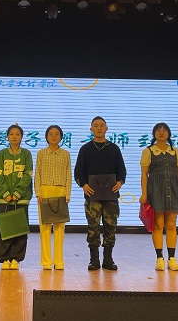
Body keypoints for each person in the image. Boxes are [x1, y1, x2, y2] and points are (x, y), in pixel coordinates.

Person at [74, 116, 126, 271]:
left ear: (106, 128)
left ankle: (108, 259)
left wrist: (120, 182)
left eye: (101, 125)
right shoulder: (85, 149)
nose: (99, 128)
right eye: (95, 126)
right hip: (92, 196)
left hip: (111, 196)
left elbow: (121, 170)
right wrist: (83, 185)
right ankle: (94, 260)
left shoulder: (114, 148)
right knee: (93, 228)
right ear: (91, 129)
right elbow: (78, 171)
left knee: (111, 227)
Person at [139, 122, 178, 272]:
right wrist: (144, 193)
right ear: (154, 134)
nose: (161, 132)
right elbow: (144, 174)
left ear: (169, 133)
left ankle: (172, 258)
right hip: (156, 190)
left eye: (164, 130)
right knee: (158, 225)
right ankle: (159, 258)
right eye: (158, 130)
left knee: (171, 224)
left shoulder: (175, 151)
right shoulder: (148, 151)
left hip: (173, 190)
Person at [0, 124, 33, 270]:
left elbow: (28, 175)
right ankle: (5, 258)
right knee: (5, 228)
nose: (14, 137)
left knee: (20, 229)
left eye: (17, 134)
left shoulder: (26, 154)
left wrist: (17, 193)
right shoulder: (2, 153)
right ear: (7, 137)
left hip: (21, 199)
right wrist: (5, 193)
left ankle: (16, 258)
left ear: (21, 137)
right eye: (11, 134)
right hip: (4, 199)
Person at [35, 125, 72, 270]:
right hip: (45, 190)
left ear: (61, 136)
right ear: (46, 136)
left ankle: (59, 261)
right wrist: (38, 192)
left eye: (57, 134)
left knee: (59, 227)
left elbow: (68, 174)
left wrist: (67, 193)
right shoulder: (41, 153)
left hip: (60, 190)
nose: (54, 136)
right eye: (51, 134)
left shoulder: (65, 154)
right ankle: (46, 261)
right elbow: (37, 174)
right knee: (44, 227)